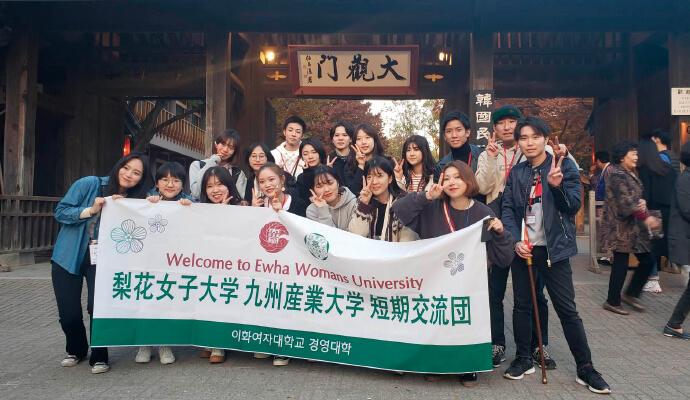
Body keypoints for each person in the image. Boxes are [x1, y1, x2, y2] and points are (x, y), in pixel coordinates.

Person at [502, 116, 610, 394]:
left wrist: (556, 186)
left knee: (567, 310)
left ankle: (585, 367)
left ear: (546, 139)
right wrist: (515, 240)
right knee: (522, 305)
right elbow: (508, 209)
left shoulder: (564, 166)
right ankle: (523, 358)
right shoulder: (517, 172)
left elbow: (573, 206)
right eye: (523, 138)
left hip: (555, 251)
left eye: (535, 137)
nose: (529, 142)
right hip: (525, 250)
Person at [392, 160, 515, 388]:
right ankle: (438, 365)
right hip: (435, 280)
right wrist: (427, 196)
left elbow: (503, 258)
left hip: (469, 283)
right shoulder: (432, 207)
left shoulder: (483, 213)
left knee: (466, 322)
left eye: (457, 177)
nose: (452, 182)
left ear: (468, 179)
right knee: (438, 321)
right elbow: (400, 210)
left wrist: (500, 234)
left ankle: (469, 367)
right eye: (446, 178)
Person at [51, 153, 154, 374]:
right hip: (68, 255)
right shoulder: (90, 184)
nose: (129, 175)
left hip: (104, 260)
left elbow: (165, 201)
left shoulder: (136, 200)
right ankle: (77, 350)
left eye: (136, 173)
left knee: (97, 307)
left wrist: (155, 201)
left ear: (142, 179)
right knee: (68, 314)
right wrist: (91, 210)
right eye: (126, 168)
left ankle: (99, 356)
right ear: (118, 166)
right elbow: (60, 212)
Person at [473, 105, 555, 370]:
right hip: (495, 227)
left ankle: (538, 344)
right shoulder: (487, 153)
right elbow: (481, 187)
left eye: (512, 122)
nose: (507, 127)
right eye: (501, 123)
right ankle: (496, 344)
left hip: (528, 230)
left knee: (535, 292)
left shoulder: (534, 150)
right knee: (494, 289)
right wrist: (492, 159)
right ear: (494, 128)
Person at [135, 162, 193, 365]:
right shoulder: (147, 200)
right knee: (146, 301)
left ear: (183, 184)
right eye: (165, 180)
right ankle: (144, 344)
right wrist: (147, 204)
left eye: (176, 181)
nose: (170, 185)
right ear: (157, 183)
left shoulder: (189, 202)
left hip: (175, 262)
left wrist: (190, 207)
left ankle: (164, 343)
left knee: (167, 301)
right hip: (148, 261)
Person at [600, 140, 661, 316]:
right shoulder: (617, 175)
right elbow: (625, 202)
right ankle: (612, 301)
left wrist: (642, 202)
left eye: (636, 153)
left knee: (648, 260)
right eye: (632, 153)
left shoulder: (628, 174)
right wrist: (647, 218)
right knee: (621, 263)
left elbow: (634, 197)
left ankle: (631, 294)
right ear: (622, 156)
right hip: (619, 228)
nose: (636, 157)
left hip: (633, 229)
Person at [197, 166, 245, 364]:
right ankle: (209, 340)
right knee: (207, 300)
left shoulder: (242, 207)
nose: (215, 190)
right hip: (206, 264)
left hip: (232, 266)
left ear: (229, 185)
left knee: (222, 300)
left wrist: (224, 214)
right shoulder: (199, 209)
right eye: (209, 186)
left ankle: (219, 344)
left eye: (219, 184)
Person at [638, 137, 677, 293]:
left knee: (651, 247)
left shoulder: (645, 169)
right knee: (668, 246)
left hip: (653, 213)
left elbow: (646, 193)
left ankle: (653, 280)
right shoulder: (668, 167)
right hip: (670, 211)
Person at [347, 156, 415, 242]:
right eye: (369, 177)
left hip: (396, 250)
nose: (374, 182)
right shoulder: (362, 199)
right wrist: (364, 204)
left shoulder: (403, 202)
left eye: (379, 176)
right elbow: (355, 235)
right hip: (368, 250)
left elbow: (407, 239)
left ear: (390, 178)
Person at [664, 141, 690, 340]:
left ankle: (674, 324)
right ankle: (673, 324)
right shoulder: (685, 178)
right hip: (685, 240)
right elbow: (687, 209)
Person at [189, 129, 247, 200]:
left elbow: (238, 200)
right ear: (216, 144)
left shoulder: (237, 174)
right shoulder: (197, 165)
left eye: (231, 148)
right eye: (223, 144)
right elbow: (196, 194)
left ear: (234, 152)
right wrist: (213, 161)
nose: (225, 150)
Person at [434, 110, 484, 180]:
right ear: (444, 136)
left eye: (458, 130)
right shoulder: (441, 166)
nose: (454, 135)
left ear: (467, 132)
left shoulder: (483, 155)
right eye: (449, 131)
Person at [306, 165, 357, 230]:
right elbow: (324, 235)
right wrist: (323, 210)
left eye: (330, 183)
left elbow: (355, 235)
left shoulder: (354, 204)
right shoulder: (312, 210)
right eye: (320, 186)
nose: (326, 189)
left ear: (337, 183)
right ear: (313, 190)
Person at [344, 123, 388, 197]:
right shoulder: (349, 167)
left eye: (367, 137)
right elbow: (352, 194)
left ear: (374, 140)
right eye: (359, 139)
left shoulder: (386, 163)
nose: (363, 142)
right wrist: (361, 166)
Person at [296, 137, 329, 203]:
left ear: (320, 153)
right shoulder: (301, 177)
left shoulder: (331, 170)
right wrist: (307, 175)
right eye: (305, 154)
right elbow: (304, 201)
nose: (310, 157)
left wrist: (328, 171)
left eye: (314, 152)